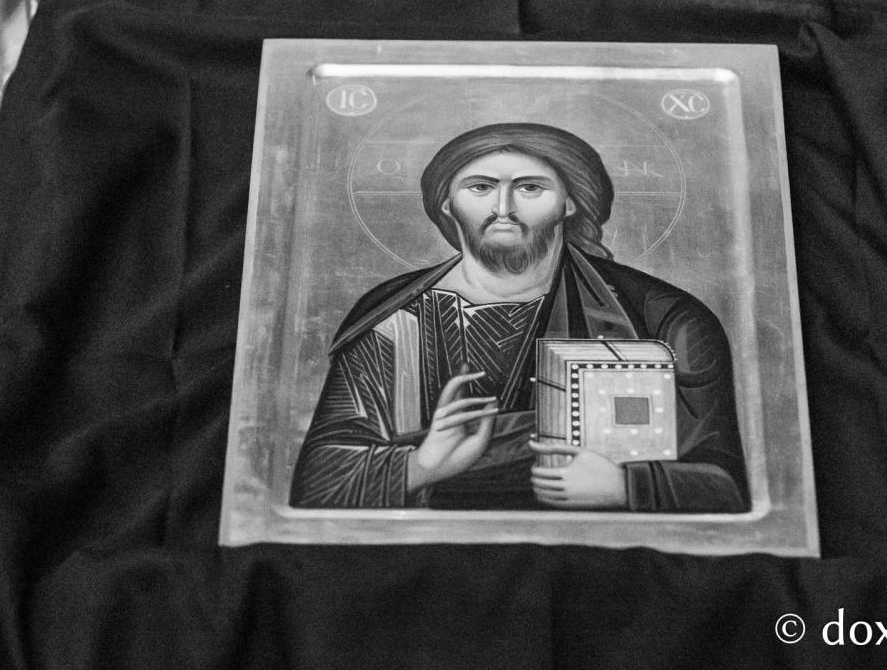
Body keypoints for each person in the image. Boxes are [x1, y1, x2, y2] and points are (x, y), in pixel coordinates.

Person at [289, 123, 749, 512]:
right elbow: (319, 484)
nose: (503, 208)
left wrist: (627, 486)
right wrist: (421, 465)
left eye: (530, 188)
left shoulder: (660, 319)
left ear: (569, 203)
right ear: (448, 204)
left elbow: (725, 487)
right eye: (480, 187)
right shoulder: (392, 320)